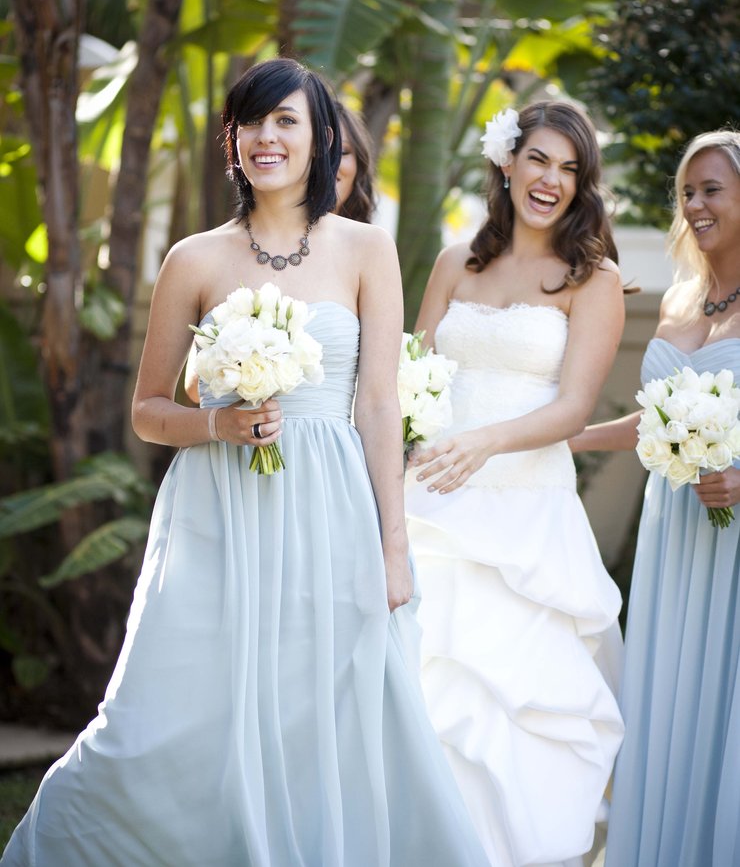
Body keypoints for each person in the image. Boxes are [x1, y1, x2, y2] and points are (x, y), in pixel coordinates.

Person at [1, 58, 489, 867]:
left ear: (318, 135)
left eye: (286, 121)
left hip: (331, 511)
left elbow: (375, 406)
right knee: (165, 712)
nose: (268, 137)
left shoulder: (367, 249)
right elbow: (150, 411)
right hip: (216, 513)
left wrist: (393, 546)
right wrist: (219, 425)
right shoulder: (193, 259)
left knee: (323, 708)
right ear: (233, 143)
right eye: (253, 122)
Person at [404, 100, 626, 866]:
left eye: (569, 169)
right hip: (431, 504)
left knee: (512, 709)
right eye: (539, 160)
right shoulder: (450, 263)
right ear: (507, 162)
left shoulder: (590, 280)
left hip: (527, 520)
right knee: (422, 696)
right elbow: (411, 376)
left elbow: (573, 407)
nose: (551, 181)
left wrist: (486, 443)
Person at [570, 129, 740, 867]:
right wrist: (556, 439)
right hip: (674, 536)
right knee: (669, 707)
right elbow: (653, 422)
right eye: (687, 192)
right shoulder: (678, 300)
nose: (695, 204)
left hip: (730, 534)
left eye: (712, 189)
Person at [182, 98, 375, 403]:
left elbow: (378, 398)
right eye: (254, 122)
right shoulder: (215, 253)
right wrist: (251, 358)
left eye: (344, 153)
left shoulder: (370, 250)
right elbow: (195, 386)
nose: (332, 161)